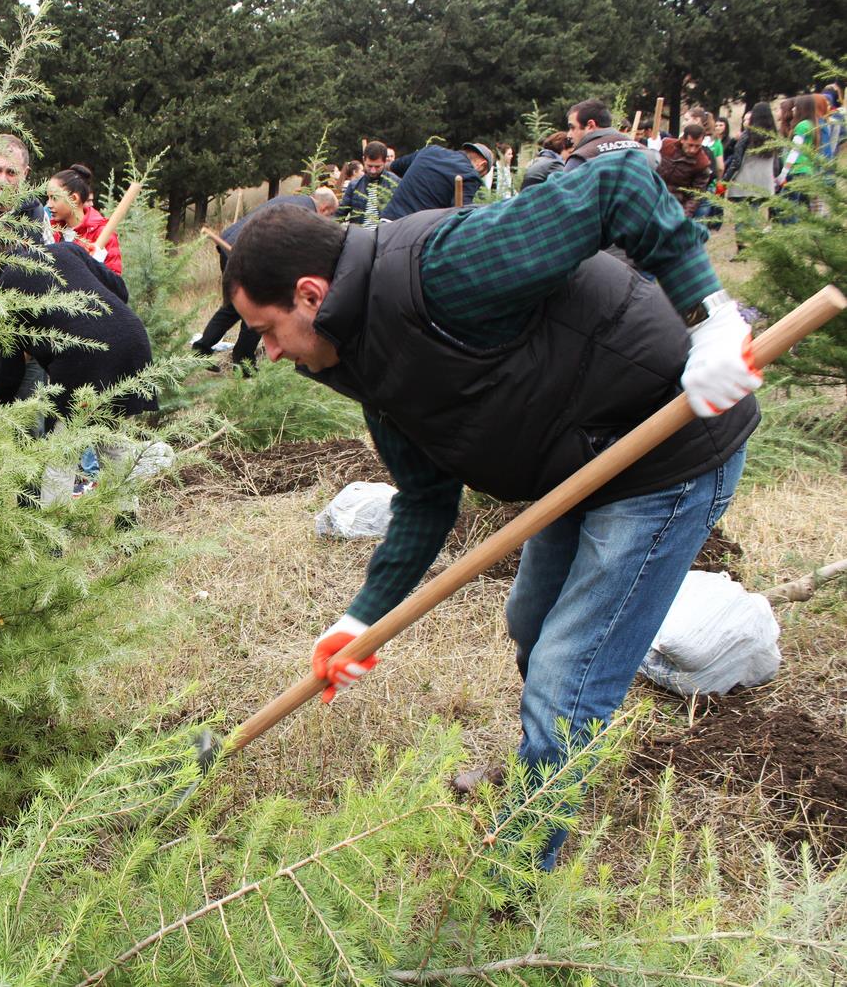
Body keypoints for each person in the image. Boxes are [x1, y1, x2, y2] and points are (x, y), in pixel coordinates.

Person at [222, 149, 759, 875]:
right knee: (531, 624)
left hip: (668, 450)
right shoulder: (357, 352)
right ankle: (551, 763)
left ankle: (514, 880)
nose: (268, 352)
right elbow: (426, 496)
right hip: (581, 462)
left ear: (311, 294)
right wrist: (360, 621)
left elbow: (619, 183)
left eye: (265, 330)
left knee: (566, 680)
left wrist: (711, 321)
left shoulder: (441, 268)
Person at [0, 242, 157, 505]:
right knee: (112, 442)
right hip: (132, 342)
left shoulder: (7, 288)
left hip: (85, 360)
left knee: (61, 455)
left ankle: (53, 528)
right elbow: (120, 290)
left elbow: (13, 366)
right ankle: (127, 519)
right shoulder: (65, 249)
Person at [191, 192, 318, 369]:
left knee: (233, 306)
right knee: (258, 306)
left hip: (230, 244)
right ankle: (244, 361)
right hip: (245, 250)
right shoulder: (307, 212)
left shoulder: (291, 199)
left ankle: (202, 349)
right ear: (325, 208)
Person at [724, 102, 780, 254]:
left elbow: (736, 161)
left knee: (741, 215)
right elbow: (777, 163)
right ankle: (756, 243)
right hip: (764, 182)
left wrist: (726, 179)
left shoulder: (747, 136)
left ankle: (742, 248)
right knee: (754, 212)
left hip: (745, 180)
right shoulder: (774, 137)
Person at [381, 141, 492, 219]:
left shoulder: (430, 150)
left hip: (387, 222)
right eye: (482, 175)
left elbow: (394, 166)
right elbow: (460, 215)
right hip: (414, 233)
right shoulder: (470, 175)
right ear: (482, 165)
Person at [46, 163, 122, 275]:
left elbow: (114, 281)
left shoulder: (102, 234)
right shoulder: (51, 230)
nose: (49, 205)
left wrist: (96, 267)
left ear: (73, 198)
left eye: (54, 198)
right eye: (48, 198)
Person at [565, 98, 653, 172]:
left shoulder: (580, 159)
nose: (569, 135)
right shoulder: (647, 154)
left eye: (572, 127)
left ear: (590, 125)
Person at [657, 123, 715, 217]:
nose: (693, 150)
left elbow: (696, 195)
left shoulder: (702, 163)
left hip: (675, 205)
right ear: (682, 140)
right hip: (655, 195)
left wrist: (683, 216)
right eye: (690, 145)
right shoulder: (666, 145)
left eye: (697, 146)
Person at [337, 142, 398, 226]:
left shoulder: (395, 183)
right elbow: (340, 213)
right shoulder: (354, 185)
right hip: (359, 232)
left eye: (377, 167)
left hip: (385, 232)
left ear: (385, 162)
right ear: (363, 160)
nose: (373, 171)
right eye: (369, 166)